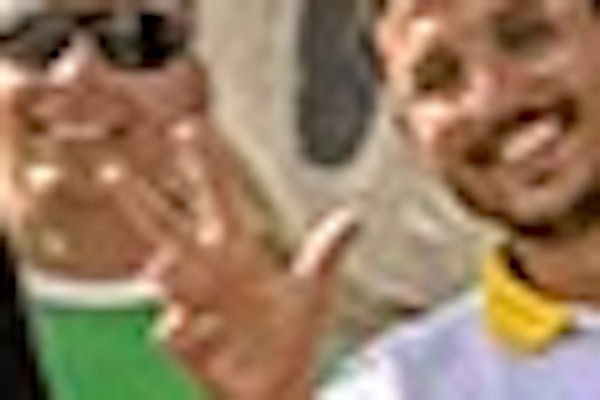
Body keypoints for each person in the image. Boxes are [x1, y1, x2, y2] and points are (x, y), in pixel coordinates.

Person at [109, 0, 600, 398]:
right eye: (438, 79)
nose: (493, 99)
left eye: (527, 38)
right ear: (411, 138)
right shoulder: (402, 387)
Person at [0, 0, 251, 398]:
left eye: (135, 38)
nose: (75, 75)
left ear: (205, 76)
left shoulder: (301, 318)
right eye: (34, 38)